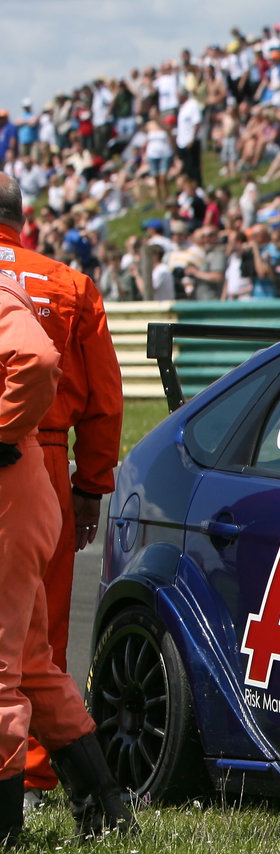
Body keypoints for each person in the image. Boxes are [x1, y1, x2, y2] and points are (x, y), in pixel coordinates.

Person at [0, 175, 123, 810]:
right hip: (45, 461)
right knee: (37, 641)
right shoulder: (68, 284)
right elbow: (104, 400)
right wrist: (91, 485)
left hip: (8, 453)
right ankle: (46, 780)